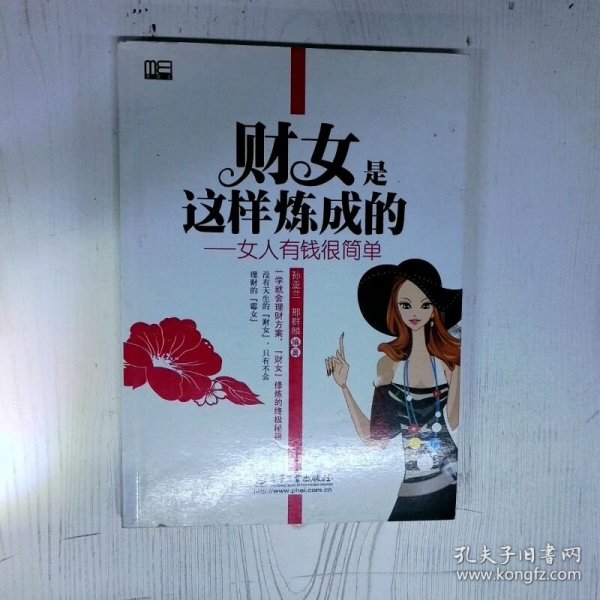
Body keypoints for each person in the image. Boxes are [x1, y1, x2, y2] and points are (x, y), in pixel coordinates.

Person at [326, 259, 461, 521]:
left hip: (452, 475)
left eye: (425, 305)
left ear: (435, 309)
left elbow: (454, 421)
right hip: (414, 483)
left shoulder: (448, 362)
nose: (415, 312)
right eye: (406, 305)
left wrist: (458, 366)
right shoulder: (387, 365)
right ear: (395, 308)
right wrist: (344, 387)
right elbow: (376, 441)